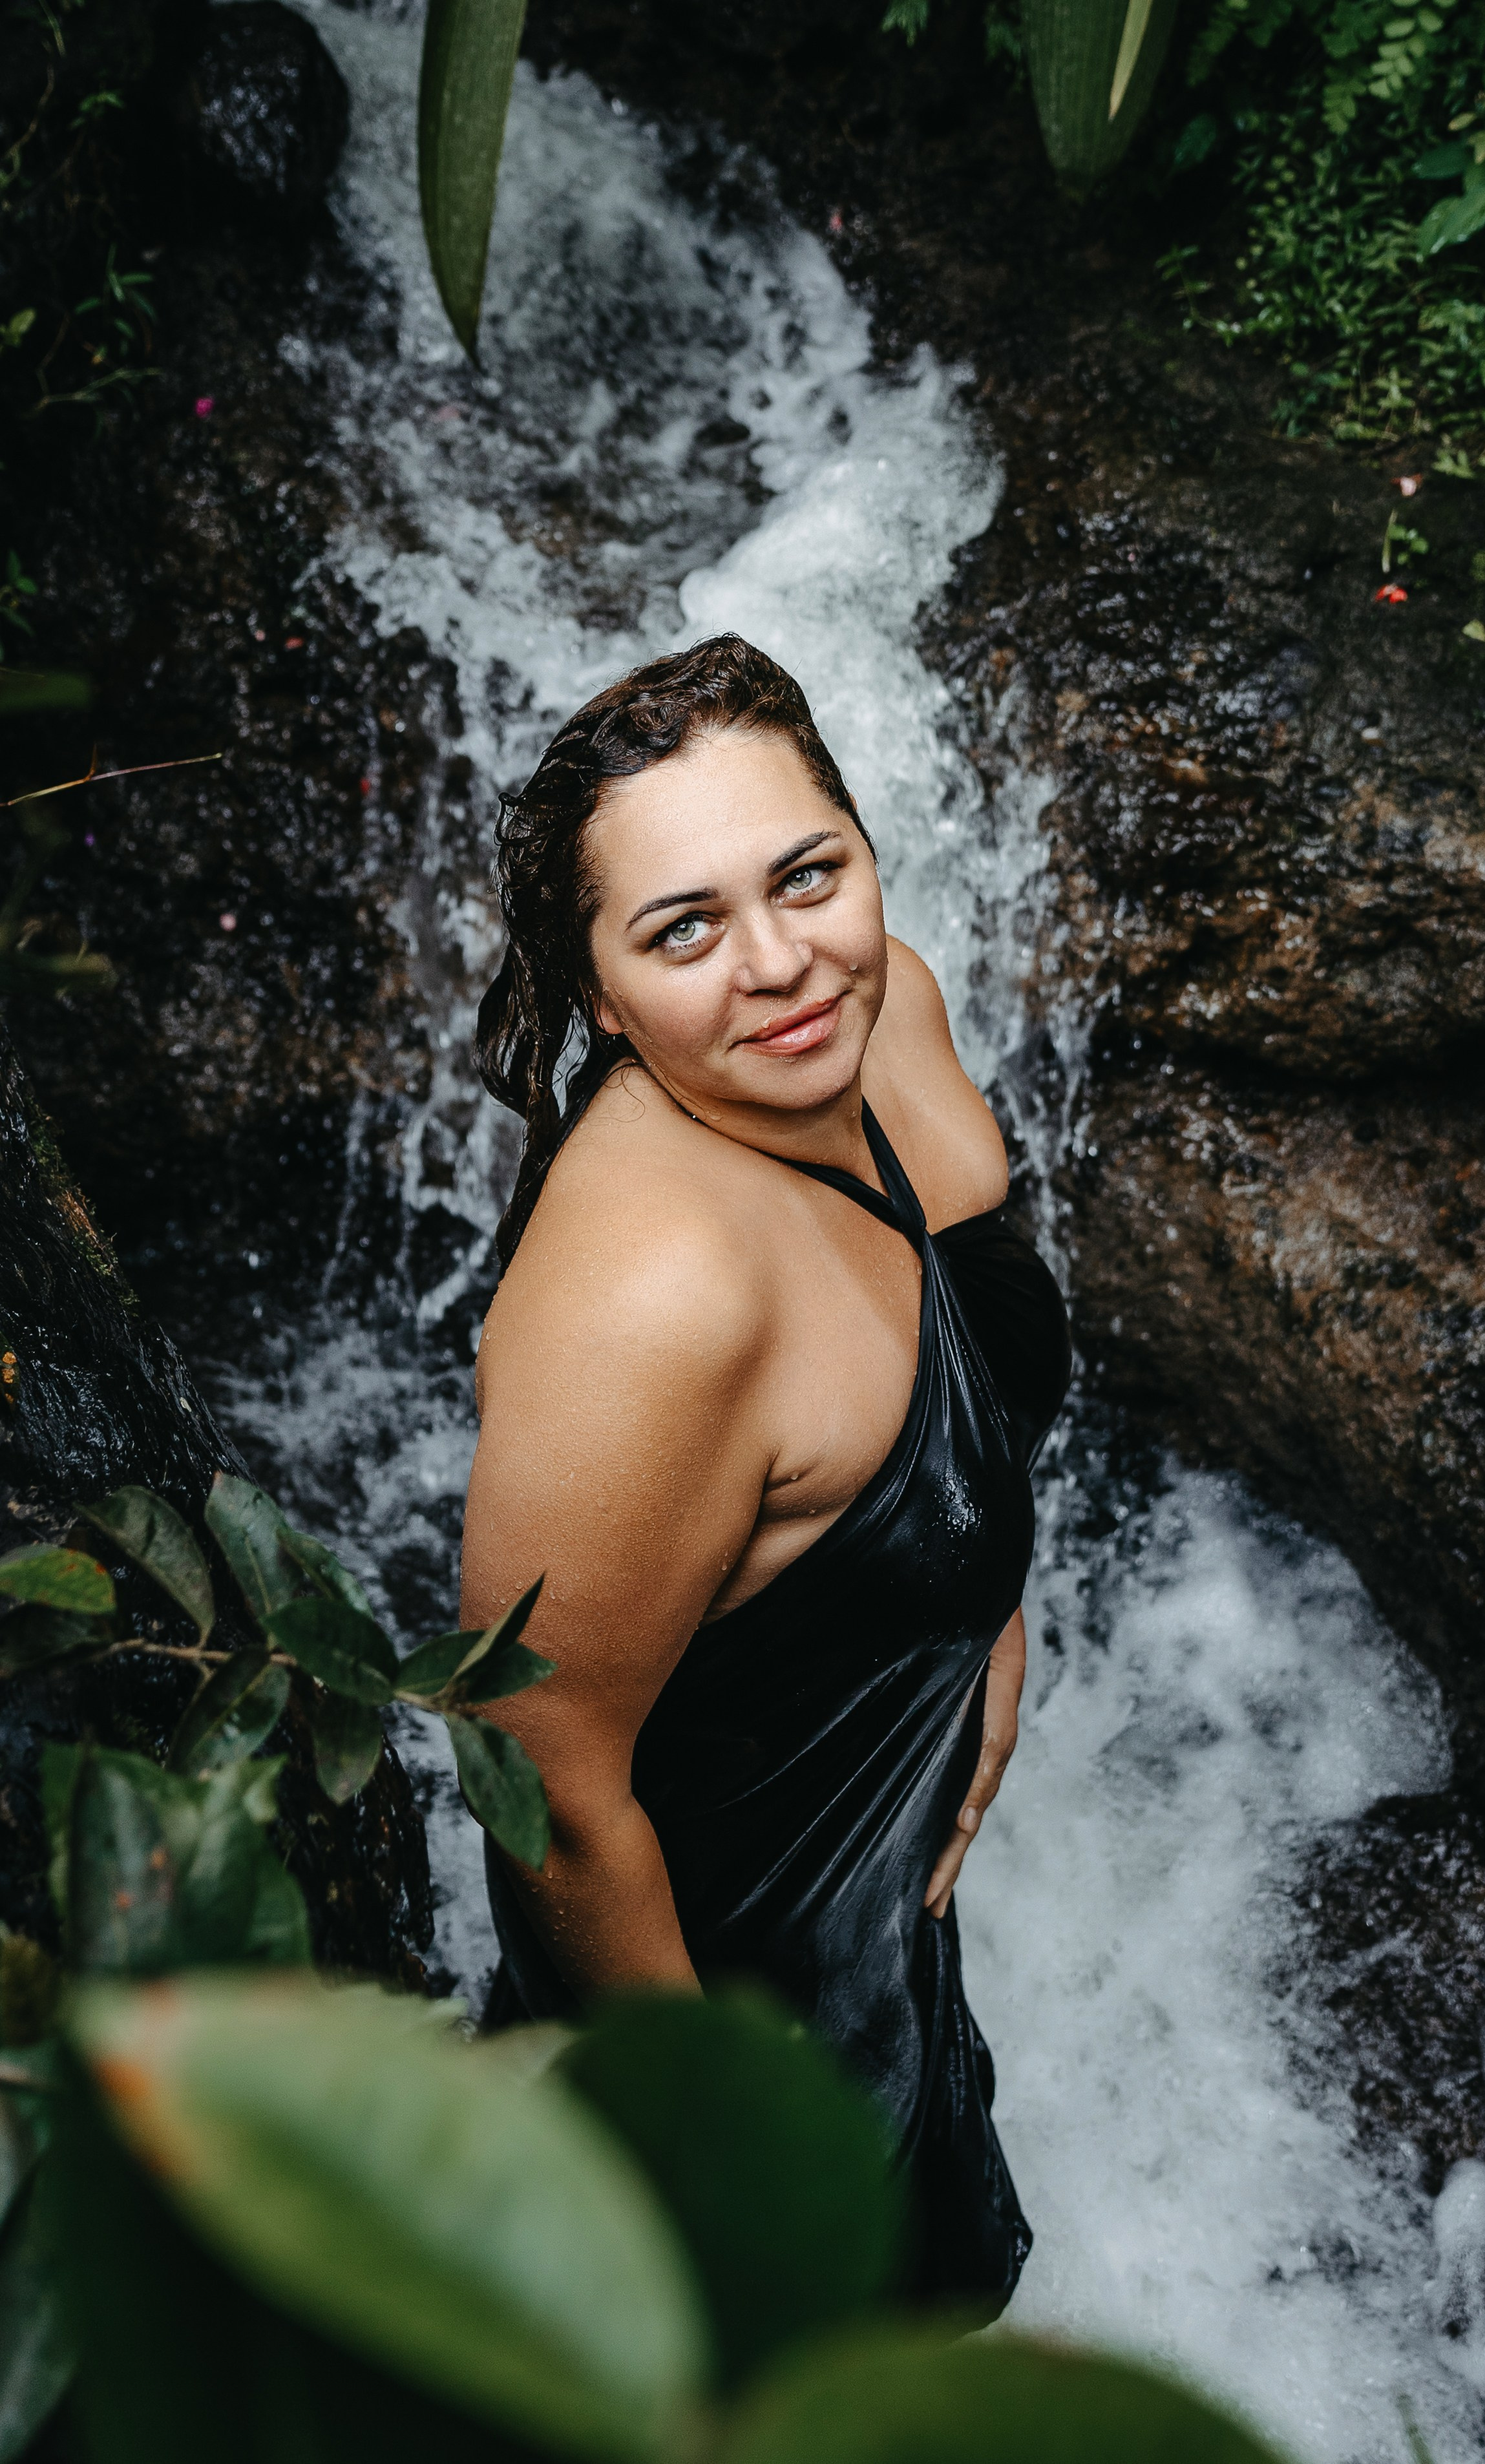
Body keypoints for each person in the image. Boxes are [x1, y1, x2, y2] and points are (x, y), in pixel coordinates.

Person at [459, 634, 1070, 2308]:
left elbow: (952, 1330)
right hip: (734, 1962)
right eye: (683, 928)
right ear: (600, 995)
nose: (783, 963)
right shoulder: (656, 1300)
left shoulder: (881, 1010)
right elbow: (539, 1779)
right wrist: (714, 2169)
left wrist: (982, 1588)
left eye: (809, 874)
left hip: (884, 1877)